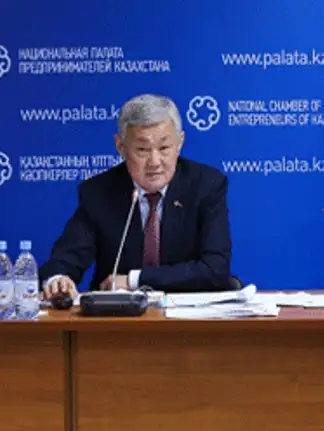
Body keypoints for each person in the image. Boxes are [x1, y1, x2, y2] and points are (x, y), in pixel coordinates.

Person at [39, 94, 233, 300]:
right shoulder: (99, 192)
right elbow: (66, 259)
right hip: (118, 316)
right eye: (142, 150)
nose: (155, 162)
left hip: (187, 315)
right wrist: (58, 279)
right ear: (121, 147)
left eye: (164, 148)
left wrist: (135, 280)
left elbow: (215, 269)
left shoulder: (206, 185)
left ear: (180, 143)